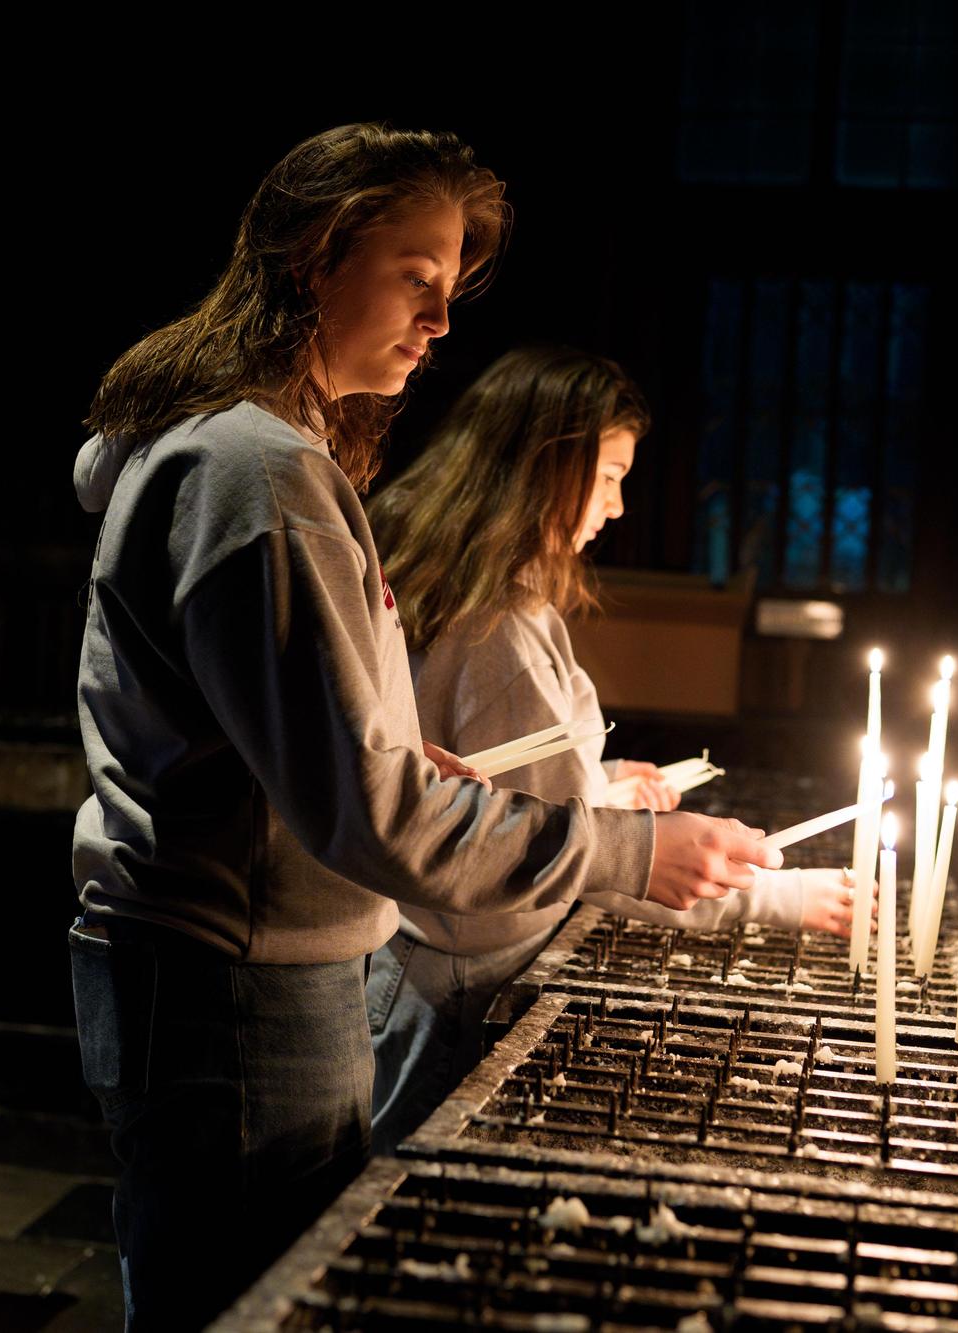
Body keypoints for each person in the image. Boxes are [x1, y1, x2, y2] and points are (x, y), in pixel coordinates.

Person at [67, 125, 780, 1331]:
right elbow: (367, 811)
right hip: (233, 988)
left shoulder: (259, 459)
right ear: (313, 258)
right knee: (238, 1305)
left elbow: (312, 757)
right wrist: (626, 853)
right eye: (417, 277)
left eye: (453, 289)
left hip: (240, 969)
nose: (441, 323)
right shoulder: (258, 473)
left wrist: (398, 757)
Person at [364, 346, 859, 1151]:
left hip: (437, 967)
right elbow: (573, 856)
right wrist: (782, 898)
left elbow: (509, 792)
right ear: (542, 469)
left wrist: (598, 781)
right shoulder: (500, 633)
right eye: (607, 478)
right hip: (458, 986)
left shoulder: (495, 601)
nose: (619, 506)